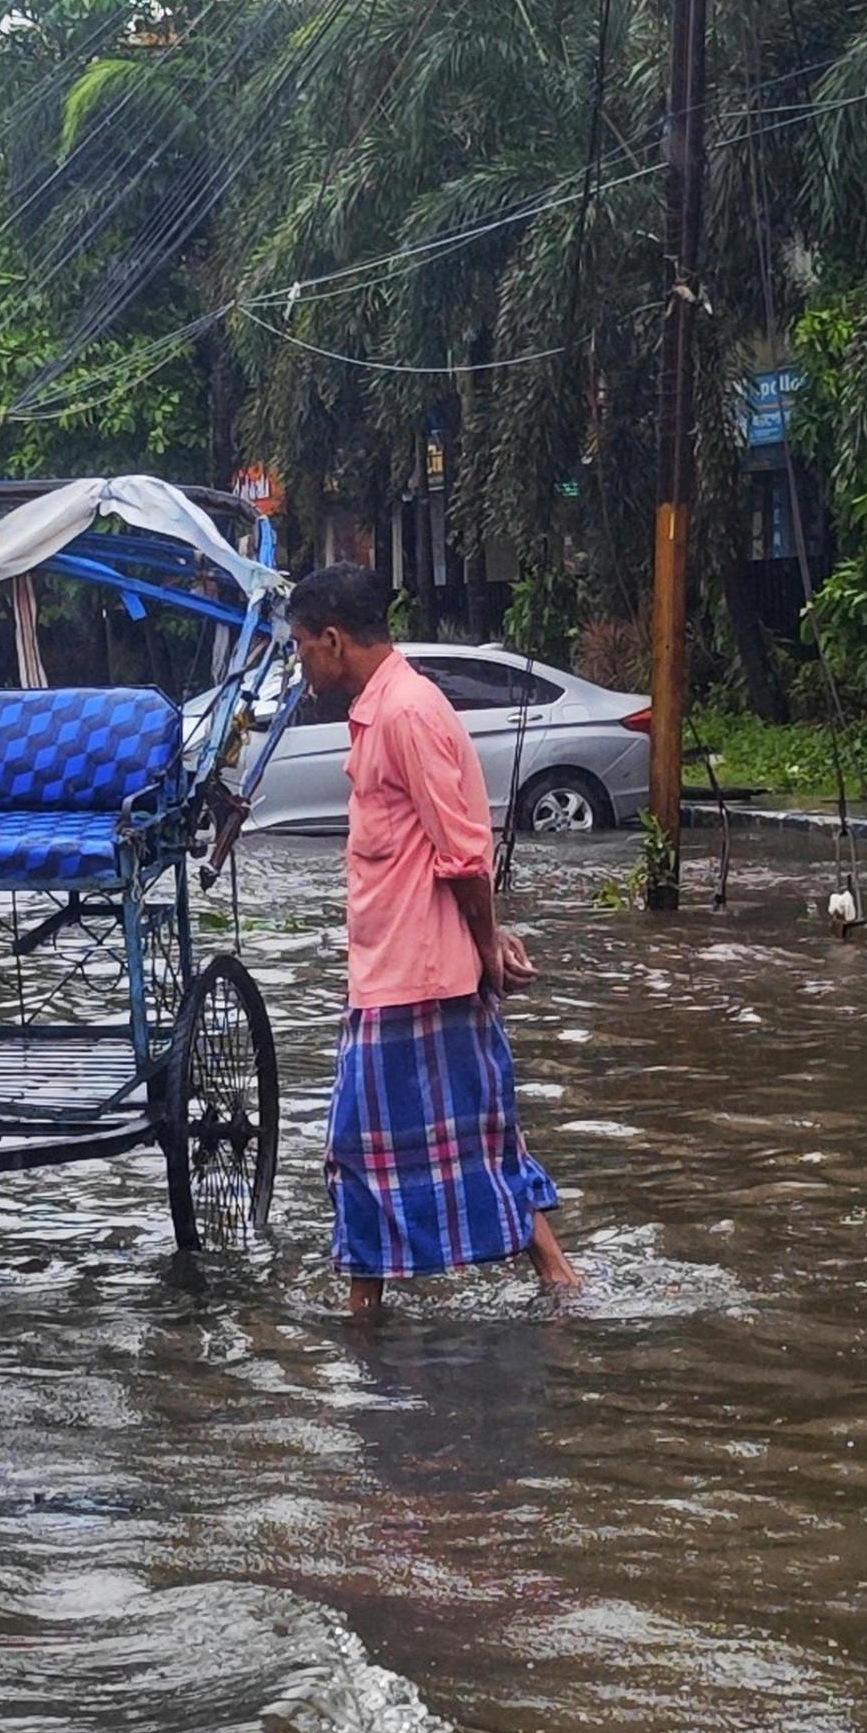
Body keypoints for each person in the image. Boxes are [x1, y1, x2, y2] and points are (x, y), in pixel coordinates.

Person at [287, 564, 578, 1320]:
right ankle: (552, 1283)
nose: (300, 665)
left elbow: (462, 853)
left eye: (300, 648)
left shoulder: (407, 714)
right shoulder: (383, 711)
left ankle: (368, 1312)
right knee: (464, 1147)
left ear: (333, 640)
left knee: (376, 1152)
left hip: (421, 980)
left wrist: (485, 946)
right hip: (395, 972)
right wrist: (488, 937)